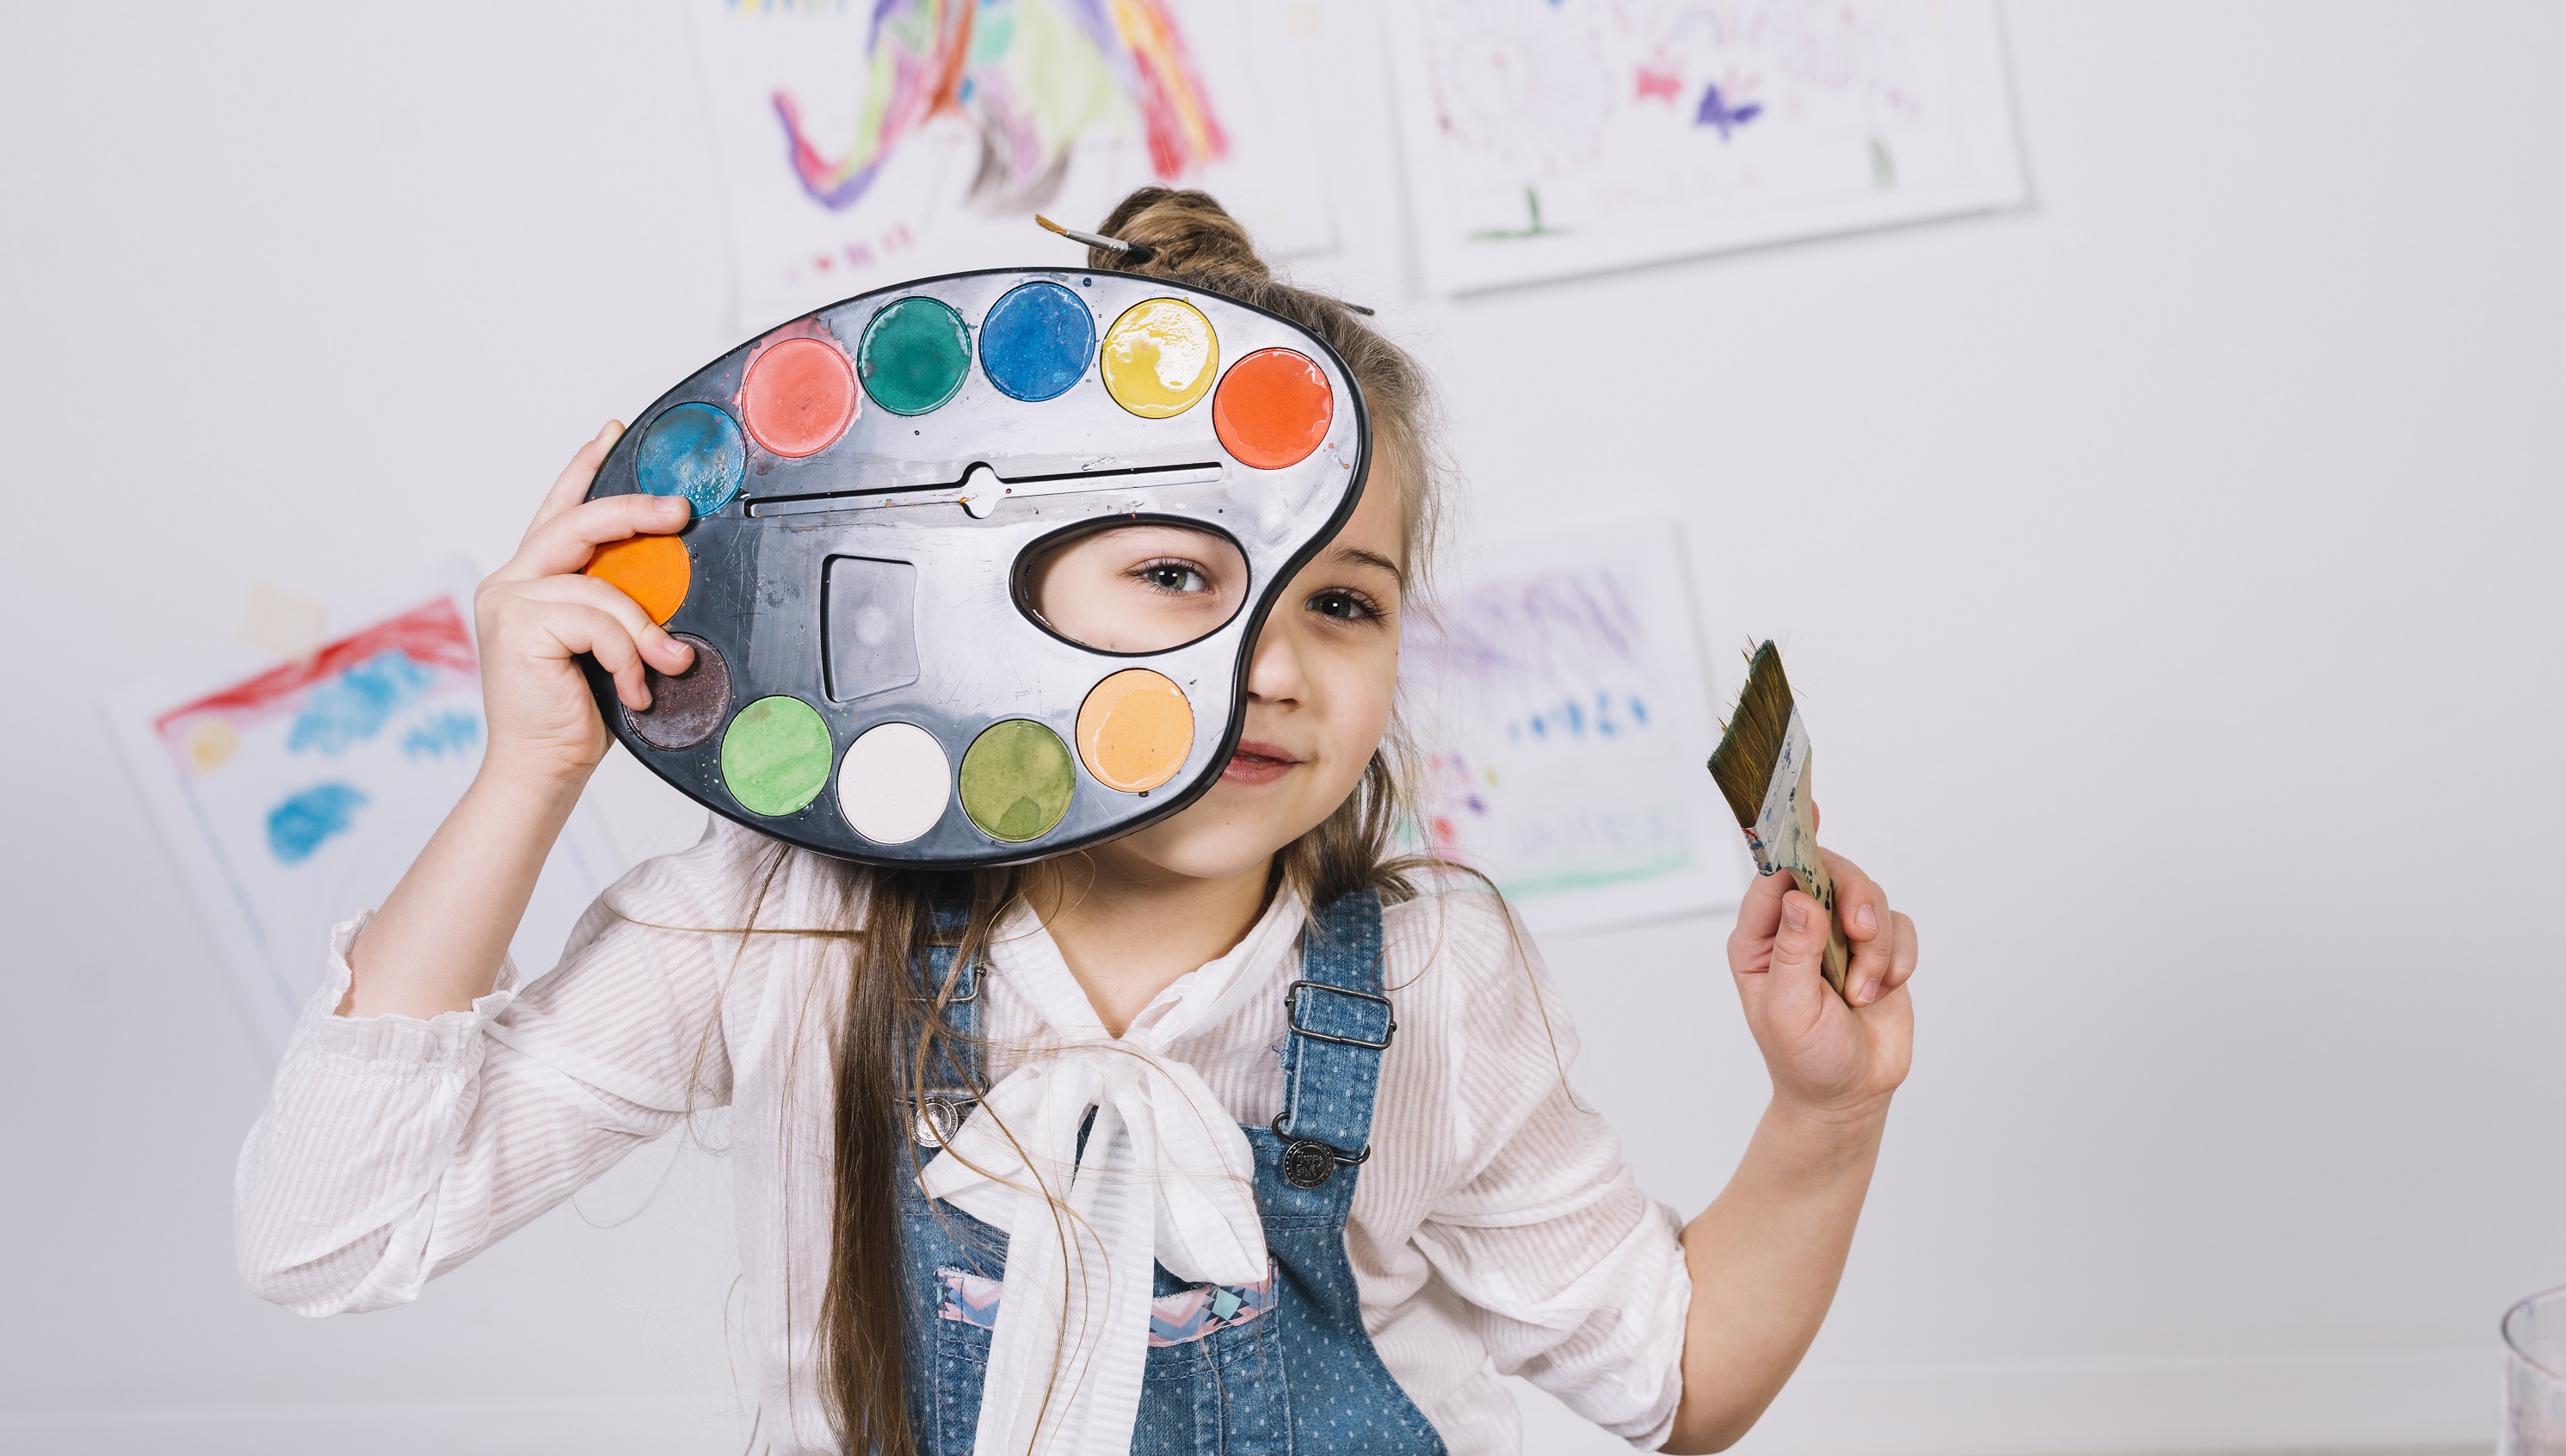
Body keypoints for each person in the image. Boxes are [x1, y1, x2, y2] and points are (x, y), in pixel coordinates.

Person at [236, 190, 1920, 1456]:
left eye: (1341, 605)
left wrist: (1825, 1117)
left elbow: (1671, 1383)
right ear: (995, 590)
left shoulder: (1435, 968)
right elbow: (330, 1232)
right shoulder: (785, 919)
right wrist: (525, 776)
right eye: (1182, 576)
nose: (1268, 667)